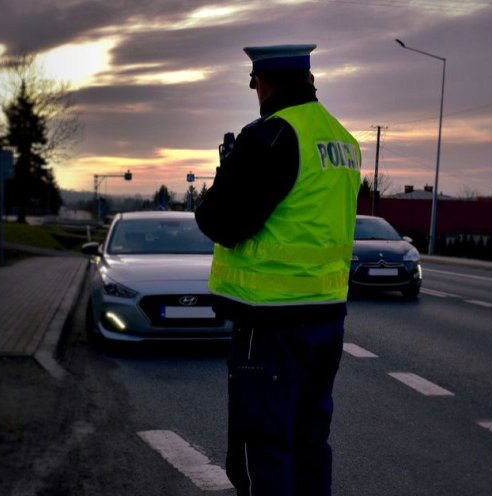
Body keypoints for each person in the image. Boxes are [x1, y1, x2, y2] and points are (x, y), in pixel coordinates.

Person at [195, 44, 361, 496]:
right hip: (327, 317)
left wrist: (228, 169)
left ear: (263, 83)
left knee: (262, 448)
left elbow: (220, 222)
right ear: (308, 81)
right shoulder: (342, 140)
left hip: (269, 321)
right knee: (309, 441)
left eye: (255, 85)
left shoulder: (270, 135)